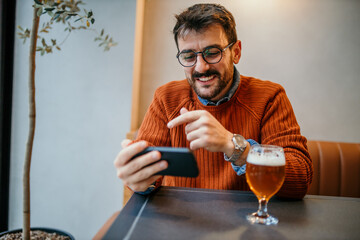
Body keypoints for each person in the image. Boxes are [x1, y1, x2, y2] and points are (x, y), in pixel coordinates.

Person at [114, 3, 313, 200]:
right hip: (181, 224)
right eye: (189, 56)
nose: (201, 67)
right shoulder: (166, 98)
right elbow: (146, 180)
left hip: (248, 226)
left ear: (236, 52)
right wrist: (139, 181)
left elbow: (300, 181)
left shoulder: (270, 97)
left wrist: (234, 146)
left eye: (212, 52)